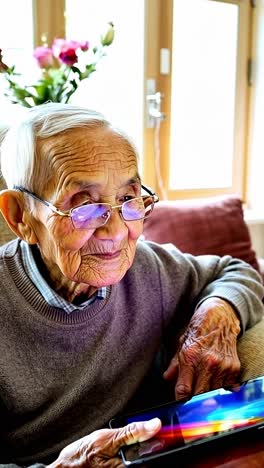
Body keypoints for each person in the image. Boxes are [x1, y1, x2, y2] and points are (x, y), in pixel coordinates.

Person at [0, 103, 263, 468]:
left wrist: (217, 314)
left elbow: (236, 272)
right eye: (84, 206)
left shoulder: (149, 269)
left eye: (128, 199)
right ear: (21, 217)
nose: (116, 231)